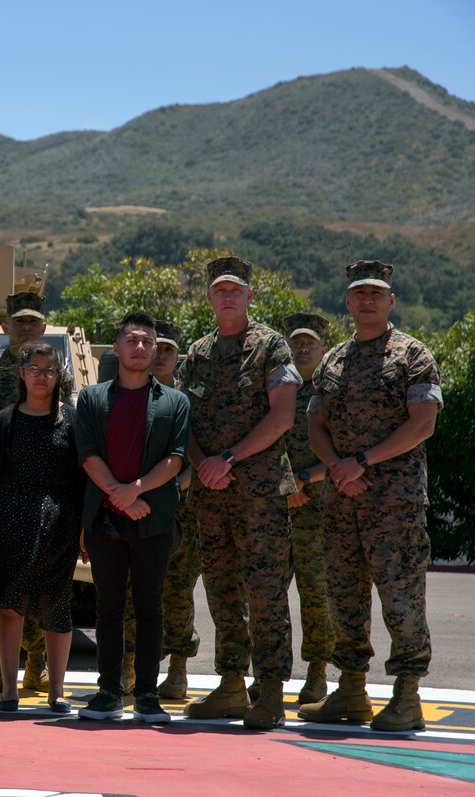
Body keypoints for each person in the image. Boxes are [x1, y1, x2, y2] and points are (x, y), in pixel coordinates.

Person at [299, 260, 442, 732]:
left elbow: (422, 424)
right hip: (342, 501)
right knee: (345, 598)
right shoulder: (335, 359)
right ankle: (351, 691)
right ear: (347, 301)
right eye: (359, 293)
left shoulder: (412, 355)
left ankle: (406, 696)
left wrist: (360, 461)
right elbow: (315, 423)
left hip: (393, 503)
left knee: (401, 600)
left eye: (376, 294)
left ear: (390, 302)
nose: (367, 300)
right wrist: (339, 469)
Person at [180, 256, 300, 730]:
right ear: (209, 297)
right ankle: (231, 685)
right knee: (221, 590)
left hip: (259, 494)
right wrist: (201, 464)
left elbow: (283, 416)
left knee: (266, 591)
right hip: (212, 494)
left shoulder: (271, 347)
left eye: (236, 289)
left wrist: (226, 459)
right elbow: (182, 417)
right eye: (219, 290)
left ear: (250, 295)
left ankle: (269, 691)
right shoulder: (199, 351)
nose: (227, 296)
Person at [74, 313, 190, 723]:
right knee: (107, 607)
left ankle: (146, 694)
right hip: (105, 520)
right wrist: (121, 497)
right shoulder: (91, 398)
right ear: (117, 348)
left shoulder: (175, 402)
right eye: (131, 340)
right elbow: (88, 456)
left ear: (156, 350)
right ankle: (108, 691)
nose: (139, 347)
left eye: (146, 342)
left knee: (148, 608)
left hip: (152, 519)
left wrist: (135, 490)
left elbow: (176, 459)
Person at [0, 291, 73, 692]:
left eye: (33, 321)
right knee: (6, 597)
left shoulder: (69, 411)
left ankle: (45, 676)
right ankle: (2, 672)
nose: (40, 376)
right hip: (11, 510)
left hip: (56, 514)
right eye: (20, 321)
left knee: (51, 600)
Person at [267, 312, 334, 705]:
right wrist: (287, 485)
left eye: (310, 342)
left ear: (323, 349)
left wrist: (305, 481)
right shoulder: (275, 390)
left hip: (319, 510)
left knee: (316, 595)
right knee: (268, 595)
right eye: (296, 342)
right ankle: (270, 674)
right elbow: (262, 443)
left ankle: (317, 673)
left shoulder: (333, 392)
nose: (303, 348)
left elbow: (344, 450)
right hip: (275, 508)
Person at [151, 320, 203, 701]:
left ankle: (178, 670)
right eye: (157, 348)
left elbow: (196, 452)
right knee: (135, 592)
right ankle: (133, 665)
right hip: (137, 507)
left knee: (178, 592)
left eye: (168, 349)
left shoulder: (188, 401)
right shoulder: (132, 394)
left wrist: (174, 484)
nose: (161, 356)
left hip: (182, 511)